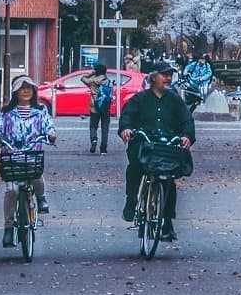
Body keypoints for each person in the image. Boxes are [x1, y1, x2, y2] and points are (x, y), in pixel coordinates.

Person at [118, 61, 195, 242]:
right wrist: (126, 129)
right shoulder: (140, 99)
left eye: (170, 75)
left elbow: (187, 120)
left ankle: (167, 221)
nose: (168, 78)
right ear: (154, 77)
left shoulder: (175, 100)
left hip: (166, 146)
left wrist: (187, 136)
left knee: (169, 181)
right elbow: (127, 115)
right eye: (164, 75)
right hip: (145, 144)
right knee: (135, 168)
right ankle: (131, 201)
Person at [0, 74, 57, 247]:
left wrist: (51, 134)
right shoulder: (6, 112)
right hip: (11, 156)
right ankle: (8, 228)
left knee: (36, 176)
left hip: (32, 154)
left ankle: (41, 198)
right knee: (12, 190)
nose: (26, 91)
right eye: (22, 88)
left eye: (29, 88)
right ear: (15, 91)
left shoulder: (41, 110)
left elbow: (48, 125)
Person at [81, 63, 111, 154]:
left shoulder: (92, 81)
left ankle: (94, 140)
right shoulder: (107, 81)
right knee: (105, 128)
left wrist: (90, 74)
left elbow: (82, 78)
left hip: (94, 106)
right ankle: (103, 148)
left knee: (93, 126)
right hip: (105, 107)